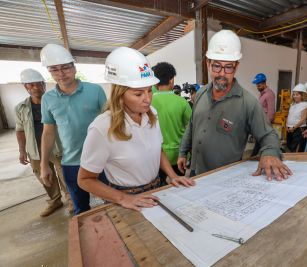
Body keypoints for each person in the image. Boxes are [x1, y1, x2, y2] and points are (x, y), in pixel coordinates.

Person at [77, 47, 194, 211]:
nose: (147, 99)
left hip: (156, 190)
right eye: (138, 94)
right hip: (124, 199)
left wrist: (172, 175)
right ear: (119, 94)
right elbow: (85, 179)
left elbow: (157, 150)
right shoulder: (102, 127)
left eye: (149, 91)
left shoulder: (151, 114)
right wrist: (124, 198)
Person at [177, 30, 291, 181]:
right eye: (217, 66)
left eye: (228, 67)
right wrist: (183, 152)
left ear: (236, 67)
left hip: (224, 180)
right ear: (208, 64)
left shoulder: (248, 103)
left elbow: (268, 135)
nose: (222, 74)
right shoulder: (201, 94)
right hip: (195, 172)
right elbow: (192, 126)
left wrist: (270, 153)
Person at [39, 44, 107, 215]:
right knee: (80, 209)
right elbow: (48, 133)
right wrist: (43, 165)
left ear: (74, 68)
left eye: (65, 68)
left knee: (112, 200)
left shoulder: (95, 91)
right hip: (71, 163)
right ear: (49, 71)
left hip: (102, 159)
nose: (61, 74)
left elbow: (110, 123)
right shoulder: (47, 99)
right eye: (54, 69)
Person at [15, 69, 72, 216]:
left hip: (58, 147)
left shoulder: (57, 101)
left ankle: (71, 201)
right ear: (25, 87)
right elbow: (20, 130)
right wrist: (22, 151)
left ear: (44, 85)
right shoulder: (21, 108)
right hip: (35, 149)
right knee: (45, 177)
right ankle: (55, 201)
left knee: (65, 175)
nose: (35, 88)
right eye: (30, 85)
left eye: (38, 84)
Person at [151, 62, 192, 185]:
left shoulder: (147, 103)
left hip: (156, 155)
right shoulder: (182, 102)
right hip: (179, 155)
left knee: (159, 188)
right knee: (180, 186)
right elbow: (192, 126)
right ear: (172, 80)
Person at [286, 84, 307, 152]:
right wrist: (287, 126)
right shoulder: (292, 104)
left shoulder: (305, 105)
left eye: (297, 94)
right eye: (294, 94)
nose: (295, 96)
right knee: (289, 146)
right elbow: (289, 116)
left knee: (295, 148)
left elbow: (303, 119)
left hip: (298, 130)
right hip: (290, 129)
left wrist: (294, 128)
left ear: (302, 95)